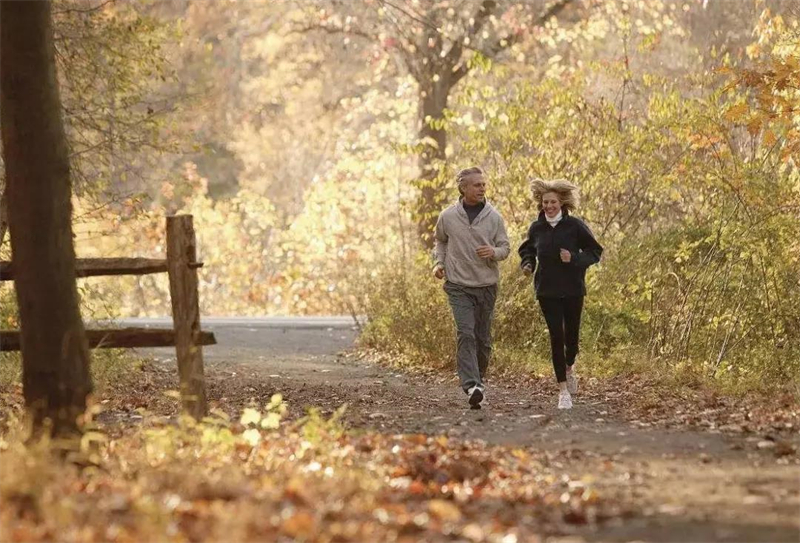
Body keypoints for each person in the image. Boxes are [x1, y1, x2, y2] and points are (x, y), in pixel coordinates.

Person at [518, 179, 603, 410]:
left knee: (571, 340)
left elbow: (595, 251)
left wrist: (574, 259)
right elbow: (527, 249)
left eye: (553, 202)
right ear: (541, 203)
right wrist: (527, 264)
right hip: (547, 290)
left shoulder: (574, 226)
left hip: (573, 289)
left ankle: (569, 365)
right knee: (556, 336)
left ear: (561, 202)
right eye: (545, 202)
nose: (549, 206)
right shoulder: (537, 228)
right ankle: (563, 391)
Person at [432, 167, 510, 409]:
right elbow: (440, 241)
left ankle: (478, 382)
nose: (482, 188)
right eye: (476, 185)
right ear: (463, 188)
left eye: (483, 185)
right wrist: (438, 263)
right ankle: (472, 385)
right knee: (465, 332)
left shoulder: (494, 217)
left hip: (486, 285)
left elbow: (505, 248)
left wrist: (493, 252)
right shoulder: (448, 216)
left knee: (482, 339)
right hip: (457, 285)